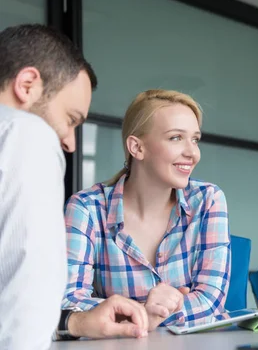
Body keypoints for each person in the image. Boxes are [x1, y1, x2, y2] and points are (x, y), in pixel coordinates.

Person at [0, 24, 148, 350]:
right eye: (71, 119)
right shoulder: (26, 133)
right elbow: (25, 300)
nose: (69, 143)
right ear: (27, 85)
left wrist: (75, 322)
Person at [62, 89, 231, 330]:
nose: (192, 153)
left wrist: (135, 315)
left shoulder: (208, 200)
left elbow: (211, 302)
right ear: (137, 147)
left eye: (195, 139)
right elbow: (69, 304)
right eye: (176, 138)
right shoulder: (86, 208)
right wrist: (146, 314)